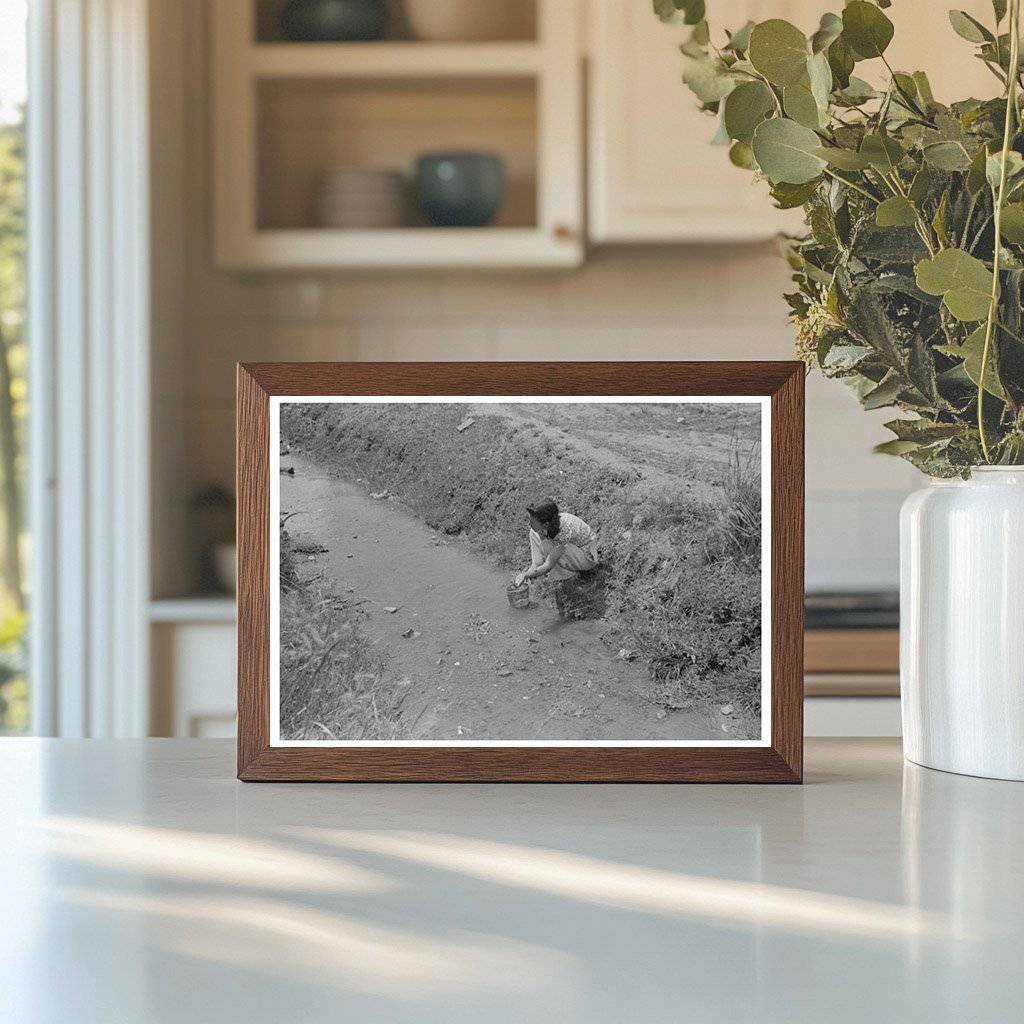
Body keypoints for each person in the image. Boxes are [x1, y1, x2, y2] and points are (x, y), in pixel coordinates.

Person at [514, 499, 599, 588]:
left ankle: (568, 577)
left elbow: (548, 564)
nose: (529, 523)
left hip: (587, 556)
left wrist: (527, 575)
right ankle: (564, 574)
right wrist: (527, 574)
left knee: (553, 548)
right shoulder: (548, 525)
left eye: (532, 521)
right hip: (571, 550)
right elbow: (537, 562)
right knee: (535, 533)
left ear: (546, 524)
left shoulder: (564, 531)